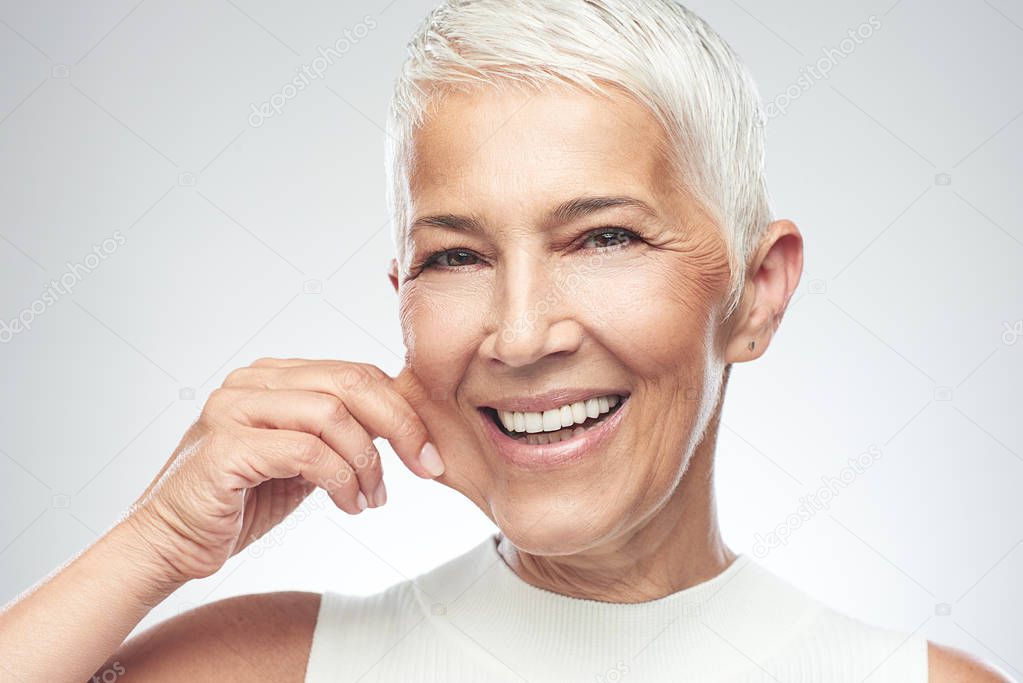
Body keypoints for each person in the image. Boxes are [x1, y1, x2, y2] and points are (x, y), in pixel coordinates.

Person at [0, 1, 1011, 680]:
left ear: (755, 292)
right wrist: (152, 546)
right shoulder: (268, 665)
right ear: (401, 298)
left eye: (604, 237)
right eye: (456, 256)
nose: (522, 334)